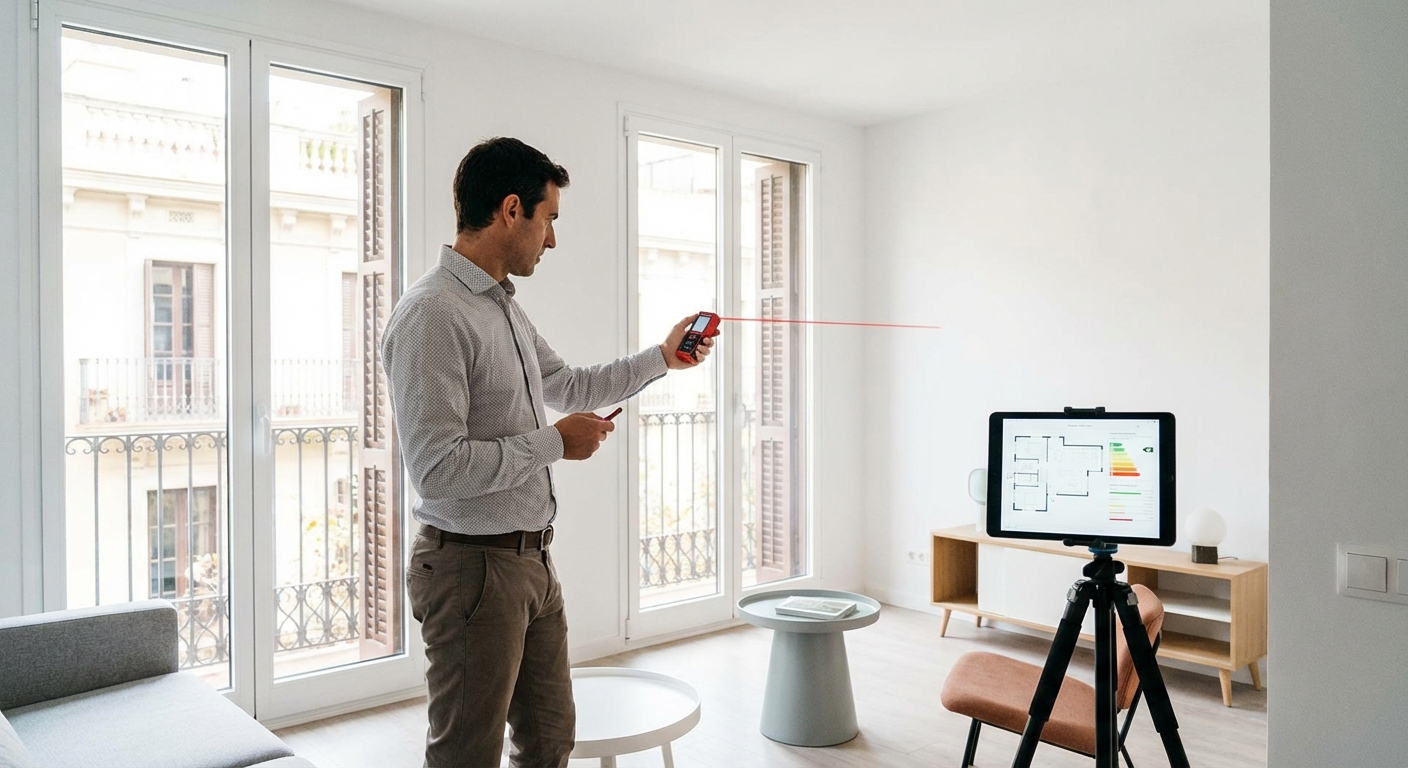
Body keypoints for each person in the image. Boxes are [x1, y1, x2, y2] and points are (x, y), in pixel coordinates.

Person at [381, 136, 714, 768]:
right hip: (472, 570)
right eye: (549, 218)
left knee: (550, 740)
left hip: (530, 560)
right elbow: (438, 470)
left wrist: (663, 357)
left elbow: (569, 385)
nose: (552, 239)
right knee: (466, 756)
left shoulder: (500, 305)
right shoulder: (432, 315)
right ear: (512, 210)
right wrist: (555, 443)